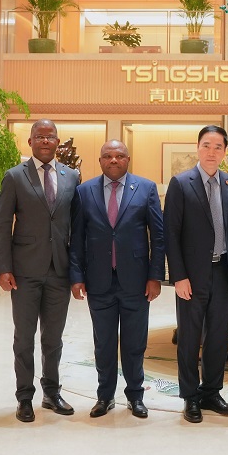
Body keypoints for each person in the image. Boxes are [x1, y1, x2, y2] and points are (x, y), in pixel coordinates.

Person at [69, 140, 165, 419]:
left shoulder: (146, 188)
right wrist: (76, 275)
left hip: (136, 281)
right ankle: (105, 396)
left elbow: (158, 237)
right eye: (108, 156)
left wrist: (155, 276)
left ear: (128, 159)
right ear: (100, 160)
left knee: (135, 343)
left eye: (119, 155)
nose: (114, 160)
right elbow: (76, 238)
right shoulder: (84, 191)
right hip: (98, 280)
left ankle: (135, 396)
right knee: (104, 344)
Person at [0, 119, 81, 423]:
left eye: (50, 137)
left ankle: (52, 393)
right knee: (24, 338)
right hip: (24, 270)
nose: (45, 141)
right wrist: (3, 267)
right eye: (39, 136)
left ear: (57, 142)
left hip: (60, 270)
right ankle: (24, 397)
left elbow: (77, 228)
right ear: (30, 142)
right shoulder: (14, 176)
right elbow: (2, 226)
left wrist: (77, 272)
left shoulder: (72, 176)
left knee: (53, 338)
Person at [164, 125, 228, 423]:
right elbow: (171, 233)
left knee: (219, 336)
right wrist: (179, 276)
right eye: (206, 145)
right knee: (189, 336)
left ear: (225, 152)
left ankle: (211, 392)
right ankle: (190, 396)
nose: (212, 152)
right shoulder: (181, 183)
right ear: (197, 148)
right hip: (192, 275)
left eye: (218, 147)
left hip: (223, 271)